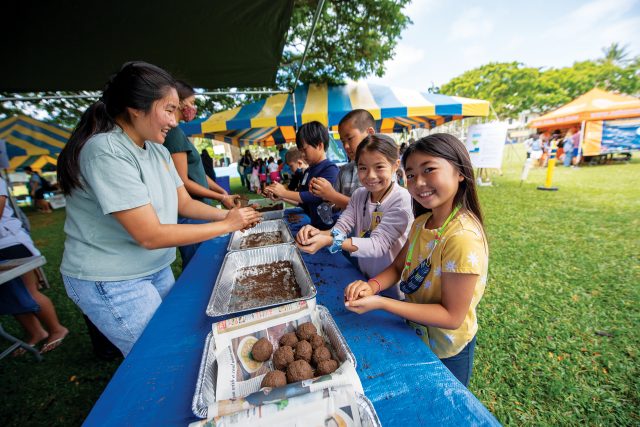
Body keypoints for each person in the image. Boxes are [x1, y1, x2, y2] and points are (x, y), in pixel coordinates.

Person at [56, 62, 261, 356]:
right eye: (169, 110)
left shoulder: (157, 150)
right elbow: (149, 235)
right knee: (159, 356)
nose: (175, 121)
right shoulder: (105, 151)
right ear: (136, 108)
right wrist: (227, 225)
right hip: (113, 279)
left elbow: (184, 203)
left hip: (154, 267)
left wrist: (231, 216)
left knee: (178, 339)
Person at [343, 133, 488, 387]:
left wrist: (381, 303)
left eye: (429, 170)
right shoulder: (421, 222)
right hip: (416, 333)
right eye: (410, 175)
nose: (418, 182)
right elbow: (399, 265)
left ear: (460, 172)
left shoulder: (462, 238)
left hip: (448, 348)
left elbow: (451, 316)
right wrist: (373, 285)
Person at [295, 135, 413, 298]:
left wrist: (329, 240)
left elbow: (376, 245)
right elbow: (341, 228)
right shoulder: (359, 195)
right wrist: (317, 234)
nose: (370, 175)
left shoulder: (401, 200)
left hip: (395, 288)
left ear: (395, 166)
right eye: (363, 168)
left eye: (379, 167)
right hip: (365, 278)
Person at [164, 80, 241, 268]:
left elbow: (198, 175)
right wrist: (220, 197)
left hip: (199, 208)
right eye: (191, 102)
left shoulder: (179, 133)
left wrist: (223, 193)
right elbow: (184, 182)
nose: (193, 107)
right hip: (191, 212)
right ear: (179, 102)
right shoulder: (173, 134)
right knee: (198, 264)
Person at [0, 176, 69, 354]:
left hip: (10, 243)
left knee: (29, 291)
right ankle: (36, 332)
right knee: (9, 294)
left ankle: (57, 329)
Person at [264, 121, 339, 229]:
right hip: (315, 227)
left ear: (319, 145)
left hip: (331, 229)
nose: (302, 155)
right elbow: (303, 201)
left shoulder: (330, 169)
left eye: (304, 150)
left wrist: (284, 192)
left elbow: (313, 196)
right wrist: (282, 196)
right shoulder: (308, 171)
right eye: (300, 151)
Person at [309, 110, 376, 210]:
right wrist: (323, 193)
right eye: (343, 141)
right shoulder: (344, 170)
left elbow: (370, 207)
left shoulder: (382, 168)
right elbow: (336, 205)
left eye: (350, 138)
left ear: (369, 133)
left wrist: (332, 195)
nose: (345, 146)